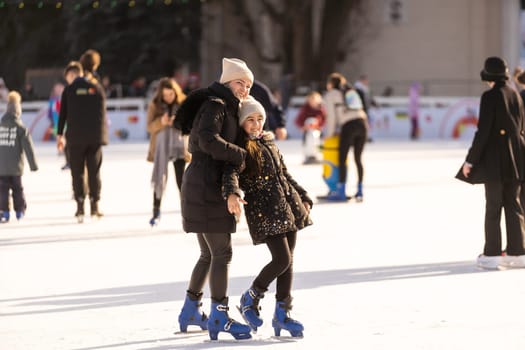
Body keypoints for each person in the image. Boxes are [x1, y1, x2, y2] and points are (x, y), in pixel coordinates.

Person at [221, 96, 312, 337]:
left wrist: (303, 195)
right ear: (241, 123)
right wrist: (232, 192)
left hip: (287, 206)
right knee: (281, 259)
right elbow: (230, 174)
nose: (256, 124)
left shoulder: (269, 141)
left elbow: (284, 174)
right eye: (250, 119)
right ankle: (250, 297)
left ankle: (283, 314)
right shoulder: (240, 148)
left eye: (259, 119)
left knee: (288, 262)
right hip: (264, 211)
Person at [177, 58, 253, 340]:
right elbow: (206, 140)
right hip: (206, 184)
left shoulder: (227, 108)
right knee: (222, 253)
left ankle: (191, 310)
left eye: (247, 85)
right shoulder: (216, 106)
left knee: (209, 254)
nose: (243, 89)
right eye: (239, 82)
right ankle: (219, 315)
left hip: (201, 182)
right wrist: (239, 154)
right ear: (226, 82)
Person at [457, 56, 525, 269]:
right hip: (517, 158)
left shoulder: (490, 96)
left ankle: (492, 254)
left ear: (489, 76)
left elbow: (483, 131)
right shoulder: (515, 94)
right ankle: (518, 252)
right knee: (514, 204)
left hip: (495, 160)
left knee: (494, 205)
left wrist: (470, 161)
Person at [57, 50, 108, 223]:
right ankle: (95, 206)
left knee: (77, 173)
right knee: (94, 171)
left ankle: (80, 207)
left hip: (75, 138)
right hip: (94, 138)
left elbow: (62, 114)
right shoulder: (96, 87)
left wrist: (59, 136)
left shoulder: (69, 89)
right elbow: (102, 112)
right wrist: (102, 136)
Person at [146, 77, 188, 226]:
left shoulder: (183, 103)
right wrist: (161, 122)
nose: (168, 98)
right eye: (165, 95)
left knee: (182, 180)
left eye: (171, 94)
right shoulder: (155, 105)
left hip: (179, 146)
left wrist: (177, 122)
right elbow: (149, 127)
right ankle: (156, 211)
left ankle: (187, 212)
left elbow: (190, 125)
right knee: (159, 177)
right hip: (161, 146)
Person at [322, 72, 368, 201]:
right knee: (358, 159)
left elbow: (331, 116)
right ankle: (360, 191)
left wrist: (329, 134)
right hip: (362, 123)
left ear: (330, 84)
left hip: (349, 126)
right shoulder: (350, 90)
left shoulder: (330, 95)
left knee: (342, 159)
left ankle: (341, 192)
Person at [0, 91, 38, 223]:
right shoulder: (21, 128)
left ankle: (4, 211)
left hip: (2, 167)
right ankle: (20, 211)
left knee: (2, 189)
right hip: (16, 167)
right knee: (18, 188)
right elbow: (28, 148)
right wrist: (33, 165)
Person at [294, 91, 326, 164]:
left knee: (317, 142)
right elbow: (298, 120)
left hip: (316, 130)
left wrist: (319, 126)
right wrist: (303, 126)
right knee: (308, 142)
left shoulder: (320, 109)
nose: (313, 102)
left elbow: (324, 119)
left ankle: (316, 155)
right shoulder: (305, 109)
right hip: (307, 131)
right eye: (311, 100)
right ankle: (308, 156)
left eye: (314, 100)